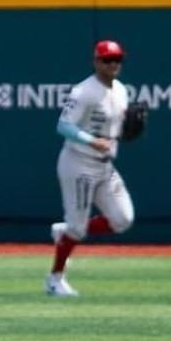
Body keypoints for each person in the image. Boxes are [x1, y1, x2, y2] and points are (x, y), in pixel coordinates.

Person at [46, 40, 135, 297]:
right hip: (78, 162)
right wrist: (90, 140)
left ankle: (66, 230)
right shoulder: (83, 91)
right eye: (107, 60)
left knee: (123, 219)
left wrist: (126, 131)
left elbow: (117, 128)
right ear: (96, 61)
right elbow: (63, 126)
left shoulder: (120, 90)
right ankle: (55, 279)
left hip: (105, 166)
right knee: (78, 228)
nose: (113, 64)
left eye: (117, 59)